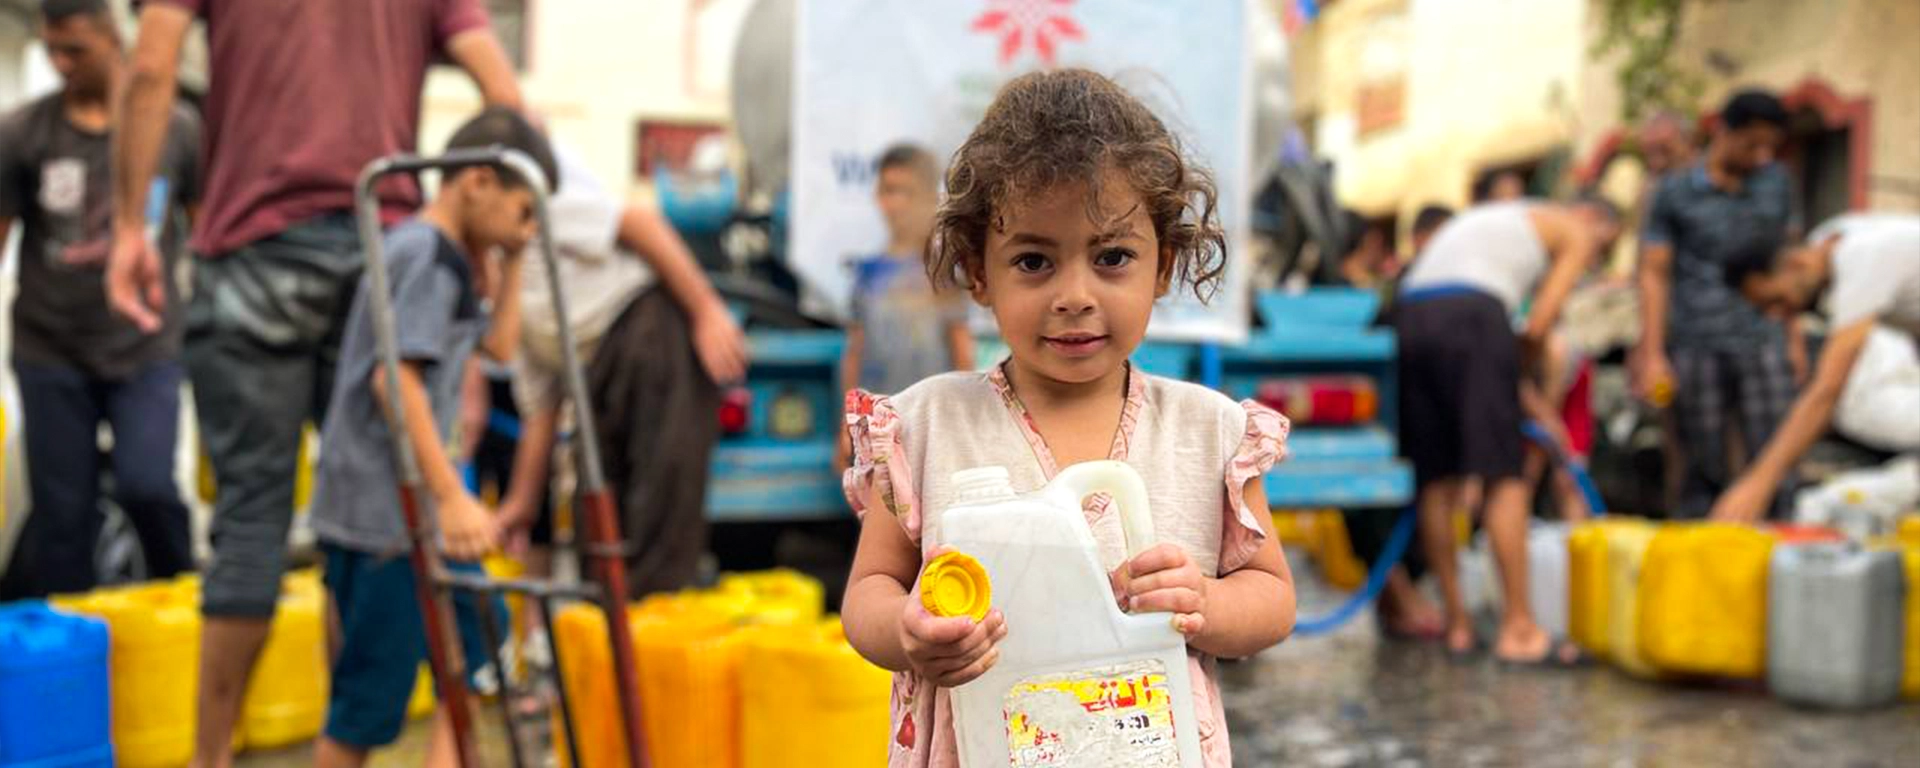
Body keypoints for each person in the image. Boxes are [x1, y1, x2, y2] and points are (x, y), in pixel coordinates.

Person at [102, 1, 523, 762]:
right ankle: (351, 743)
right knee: (373, 525)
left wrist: (132, 226)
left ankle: (210, 757)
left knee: (253, 525)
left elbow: (151, 68)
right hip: (380, 242)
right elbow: (506, 101)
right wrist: (484, 249)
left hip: (254, 247)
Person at [839, 70, 1296, 767]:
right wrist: (908, 631)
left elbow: (1271, 597)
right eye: (1033, 261)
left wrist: (1204, 601)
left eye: (1112, 257)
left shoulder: (1206, 433)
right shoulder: (927, 426)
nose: (1074, 296)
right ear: (980, 274)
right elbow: (869, 590)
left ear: (1163, 266)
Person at [305, 107, 553, 767]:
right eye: (523, 210)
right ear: (476, 181)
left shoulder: (449, 258)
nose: (528, 227)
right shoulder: (427, 257)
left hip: (410, 512)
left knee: (479, 645)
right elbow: (397, 385)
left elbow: (497, 348)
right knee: (366, 704)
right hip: (387, 517)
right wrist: (449, 496)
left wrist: (513, 252)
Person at [0, 0, 200, 599]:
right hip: (50, 349)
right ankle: (71, 656)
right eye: (52, 50)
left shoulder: (179, 128)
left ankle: (184, 607)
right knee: (63, 516)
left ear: (113, 38)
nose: (62, 64)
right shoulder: (22, 132)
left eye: (75, 51)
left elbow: (206, 230)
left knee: (149, 487)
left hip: (145, 348)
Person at [493, 144, 748, 601]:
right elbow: (541, 411)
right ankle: (610, 636)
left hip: (647, 329)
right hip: (598, 370)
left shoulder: (529, 212)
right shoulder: (515, 314)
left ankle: (650, 642)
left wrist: (706, 310)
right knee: (598, 519)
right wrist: (520, 504)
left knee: (658, 509)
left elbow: (637, 222)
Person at [1391, 196, 1623, 662]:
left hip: (1411, 313)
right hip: (1475, 314)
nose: (1596, 260)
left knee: (1436, 477)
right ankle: (1519, 628)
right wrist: (1524, 389)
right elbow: (1538, 328)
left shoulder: (1502, 216)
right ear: (1593, 221)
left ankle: (1458, 623)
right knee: (1503, 473)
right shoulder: (1571, 230)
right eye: (1604, 248)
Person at [1631, 89, 1798, 519]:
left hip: (1762, 338)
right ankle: (1703, 559)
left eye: (1770, 146)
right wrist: (1651, 353)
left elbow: (1786, 261)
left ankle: (1777, 558)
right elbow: (1654, 272)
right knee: (1700, 463)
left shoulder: (1776, 182)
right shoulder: (1673, 193)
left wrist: (1793, 337)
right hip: (1695, 341)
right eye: (1752, 144)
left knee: (1776, 455)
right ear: (1723, 132)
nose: (1762, 155)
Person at [1711, 213, 1920, 521]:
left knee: (1855, 405)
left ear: (1797, 264)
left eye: (1777, 300)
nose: (1776, 315)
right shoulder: (1830, 238)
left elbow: (1827, 391)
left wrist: (1757, 484)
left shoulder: (1860, 260)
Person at [835, 143, 976, 471]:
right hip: (877, 429)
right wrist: (846, 427)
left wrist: (965, 425)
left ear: (928, 197)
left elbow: (961, 349)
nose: (894, 203)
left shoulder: (939, 271)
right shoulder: (867, 275)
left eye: (904, 192)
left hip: (932, 428)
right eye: (887, 191)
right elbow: (856, 351)